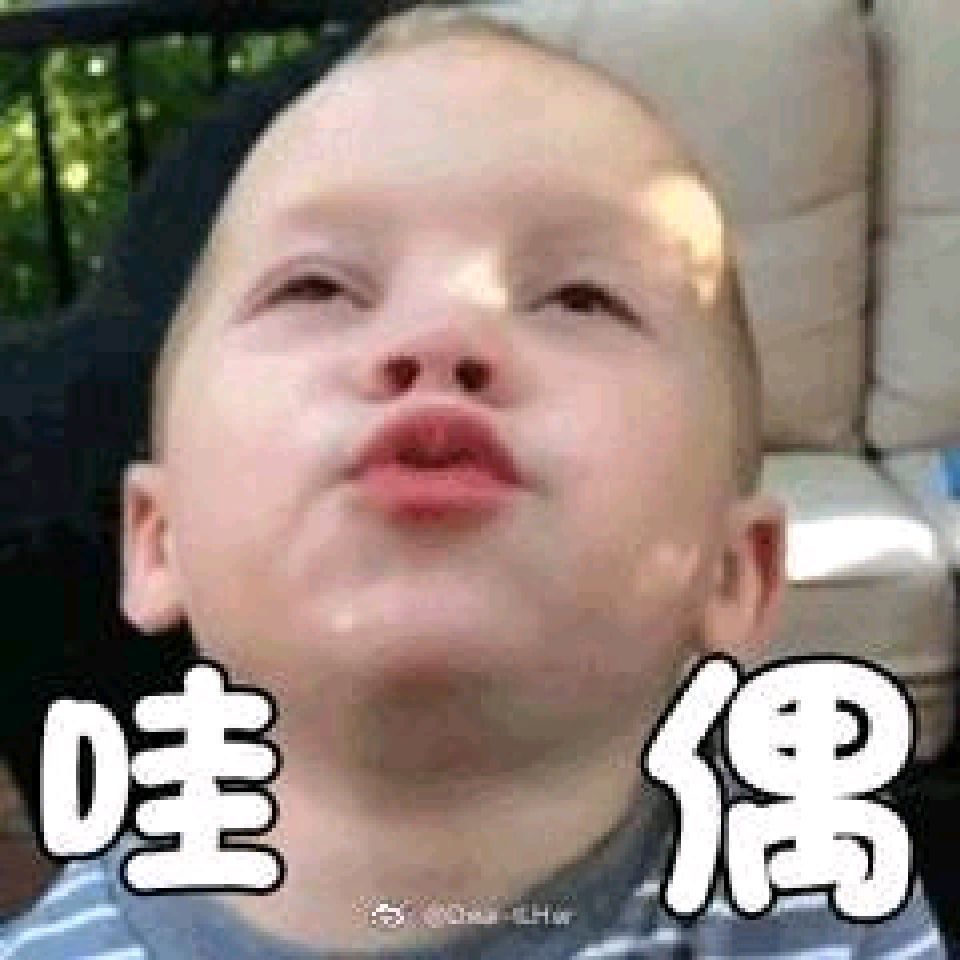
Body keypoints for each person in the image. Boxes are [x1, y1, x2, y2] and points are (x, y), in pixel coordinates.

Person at [0, 4, 947, 957]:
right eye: (317, 287)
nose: (441, 335)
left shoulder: (821, 907)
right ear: (160, 541)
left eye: (579, 298)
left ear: (733, 574)